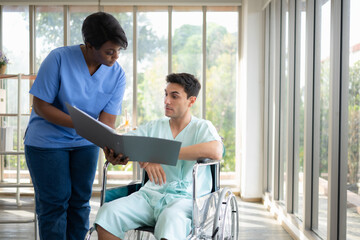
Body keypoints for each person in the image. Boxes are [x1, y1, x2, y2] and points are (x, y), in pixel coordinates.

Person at [24, 12, 128, 240]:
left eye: (118, 50)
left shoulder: (117, 75)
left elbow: (106, 123)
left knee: (80, 203)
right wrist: (82, 124)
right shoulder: (59, 58)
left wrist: (110, 148)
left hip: (85, 143)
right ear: (89, 46)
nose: (115, 57)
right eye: (109, 51)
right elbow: (40, 106)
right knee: (55, 204)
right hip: (47, 142)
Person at [94, 73, 223, 240]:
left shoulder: (202, 127)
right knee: (108, 214)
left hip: (185, 200)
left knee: (170, 219)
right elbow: (124, 143)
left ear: (191, 101)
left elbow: (216, 151)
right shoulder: (154, 126)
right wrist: (145, 159)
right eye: (166, 94)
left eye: (174, 96)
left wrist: (160, 154)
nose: (166, 101)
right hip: (150, 196)